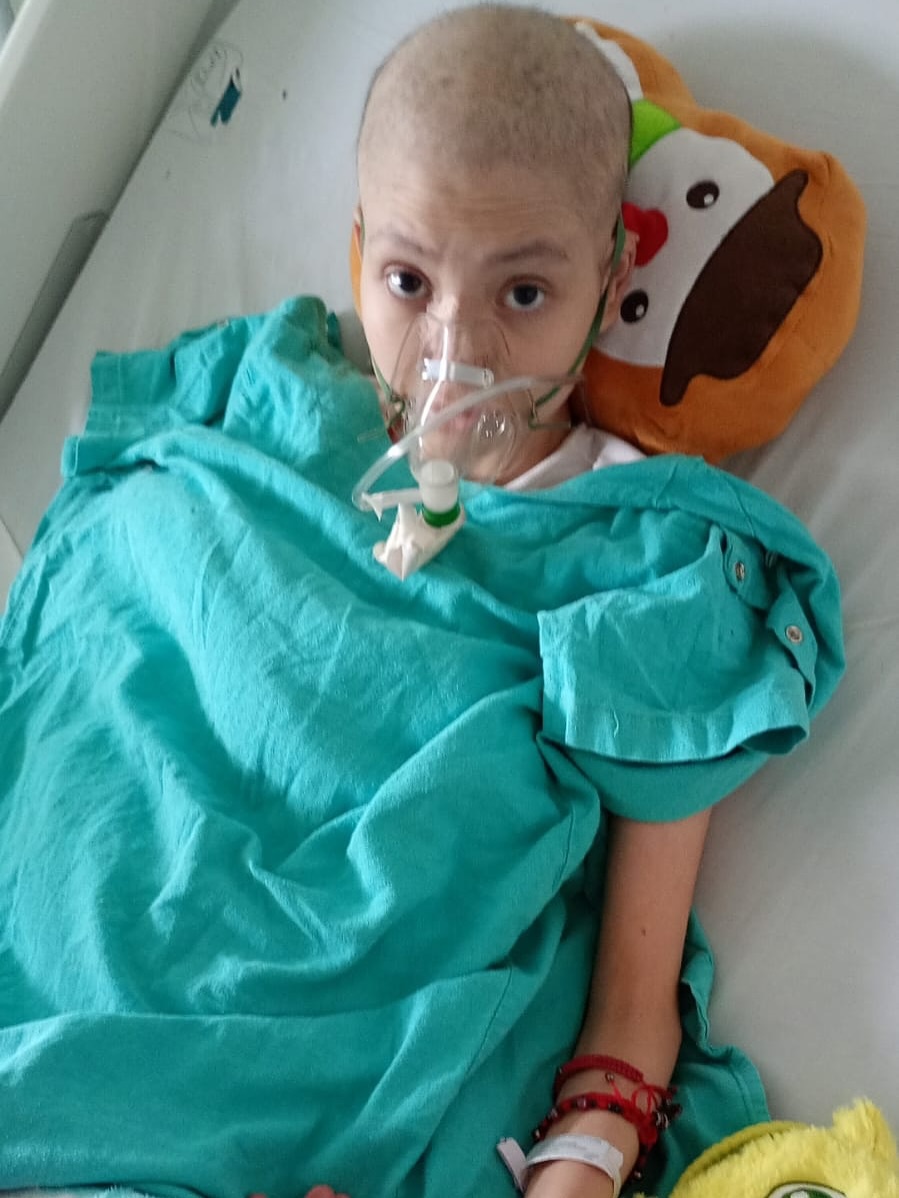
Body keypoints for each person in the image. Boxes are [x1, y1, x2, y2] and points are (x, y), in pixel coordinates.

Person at [308, 5, 712, 1196]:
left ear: (612, 277)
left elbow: (630, 1022)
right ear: (356, 254)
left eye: (523, 292)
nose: (454, 351)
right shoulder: (266, 431)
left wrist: (573, 1171)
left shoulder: (643, 561)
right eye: (407, 280)